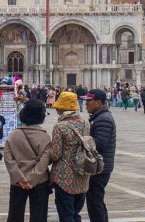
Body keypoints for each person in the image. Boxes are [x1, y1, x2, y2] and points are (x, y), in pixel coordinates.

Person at [46, 91, 95, 222]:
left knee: (66, 215)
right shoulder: (85, 123)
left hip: (64, 177)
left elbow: (55, 155)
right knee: (75, 213)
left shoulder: (60, 126)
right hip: (82, 175)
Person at [4, 99, 52, 222]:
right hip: (40, 181)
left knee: (15, 214)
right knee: (39, 215)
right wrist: (32, 178)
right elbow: (44, 161)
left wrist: (20, 177)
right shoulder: (44, 137)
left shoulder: (13, 135)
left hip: (18, 182)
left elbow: (8, 158)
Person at [84, 90, 115, 222]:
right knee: (95, 200)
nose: (86, 104)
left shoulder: (103, 119)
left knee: (95, 201)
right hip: (98, 165)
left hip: (100, 167)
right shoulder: (98, 117)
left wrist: (83, 140)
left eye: (88, 101)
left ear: (98, 102)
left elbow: (100, 143)